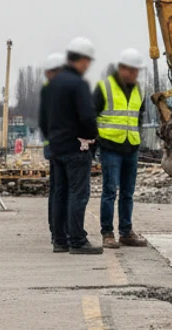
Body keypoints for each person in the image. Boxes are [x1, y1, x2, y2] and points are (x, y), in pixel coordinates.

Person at [39, 37, 101, 254]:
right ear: (82, 60)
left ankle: (59, 240)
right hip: (76, 149)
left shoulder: (50, 87)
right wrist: (91, 138)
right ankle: (77, 240)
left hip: (56, 149)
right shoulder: (78, 84)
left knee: (59, 193)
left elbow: (43, 121)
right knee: (78, 193)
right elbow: (87, 117)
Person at [94, 48, 148, 249]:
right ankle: (107, 233)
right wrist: (96, 141)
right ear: (122, 69)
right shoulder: (104, 87)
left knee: (128, 192)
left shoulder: (139, 89)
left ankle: (126, 232)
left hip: (131, 147)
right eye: (132, 70)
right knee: (110, 191)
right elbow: (92, 114)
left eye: (137, 71)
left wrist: (138, 136)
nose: (135, 74)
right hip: (110, 147)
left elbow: (139, 116)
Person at [40, 52, 63, 247]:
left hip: (52, 147)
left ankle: (55, 230)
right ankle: (59, 232)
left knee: (56, 190)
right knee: (62, 191)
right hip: (61, 147)